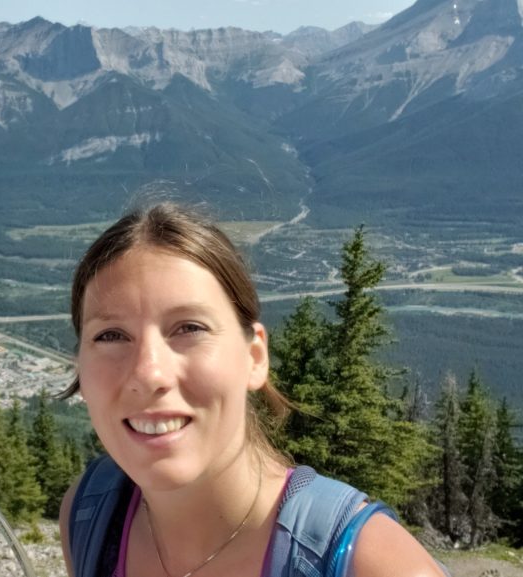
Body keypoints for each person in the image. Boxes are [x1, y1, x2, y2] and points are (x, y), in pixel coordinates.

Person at [58, 202, 446, 577]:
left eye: (189, 328)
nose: (148, 373)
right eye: (110, 335)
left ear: (255, 356)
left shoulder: (373, 565)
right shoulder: (89, 513)